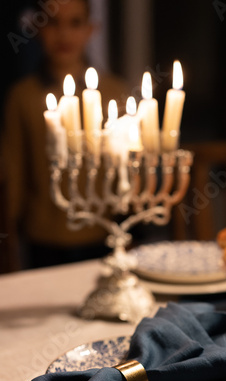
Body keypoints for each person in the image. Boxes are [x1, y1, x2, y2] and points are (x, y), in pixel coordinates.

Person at [1, 0, 129, 271]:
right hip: (43, 239)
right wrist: (8, 243)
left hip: (102, 232)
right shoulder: (21, 97)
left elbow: (128, 170)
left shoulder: (114, 93)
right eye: (53, 22)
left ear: (91, 29)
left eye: (75, 23)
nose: (64, 34)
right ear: (37, 27)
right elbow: (12, 177)